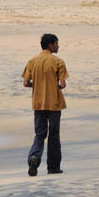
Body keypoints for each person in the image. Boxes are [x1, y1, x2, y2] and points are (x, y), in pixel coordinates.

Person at [22, 33, 68, 176]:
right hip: (54, 103)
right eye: (56, 43)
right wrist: (54, 86)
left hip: (38, 103)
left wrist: (37, 85)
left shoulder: (32, 61)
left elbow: (25, 83)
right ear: (50, 45)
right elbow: (62, 84)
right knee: (54, 135)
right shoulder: (58, 62)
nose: (58, 46)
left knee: (40, 134)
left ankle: (34, 157)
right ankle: (53, 167)